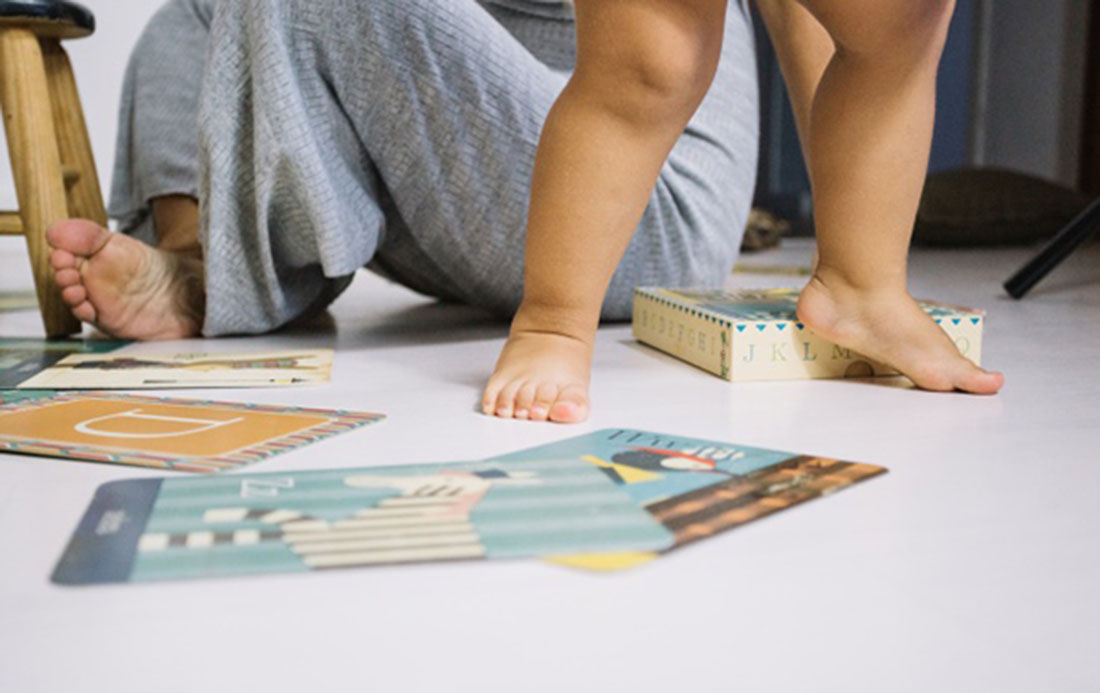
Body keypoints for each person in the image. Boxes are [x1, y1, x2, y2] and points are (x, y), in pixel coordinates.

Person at [47, 0, 1002, 426]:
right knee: (201, 15)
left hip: (653, 210)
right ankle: (207, 261)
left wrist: (851, 256)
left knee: (894, 19)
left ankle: (861, 285)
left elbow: (805, 17)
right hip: (536, 181)